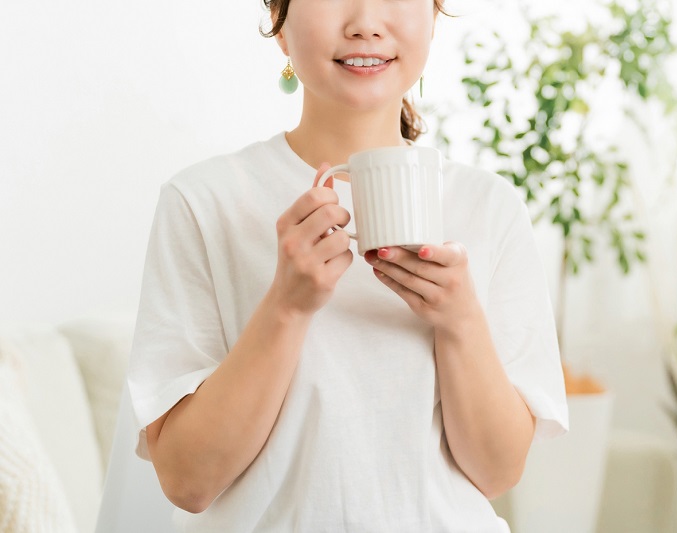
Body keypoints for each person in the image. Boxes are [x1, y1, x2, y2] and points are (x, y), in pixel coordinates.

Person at [127, 0, 569, 531]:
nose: (364, 21)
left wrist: (460, 321)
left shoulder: (490, 207)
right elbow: (187, 481)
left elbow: (498, 473)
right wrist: (285, 308)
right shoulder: (205, 202)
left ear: (433, 17)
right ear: (280, 25)